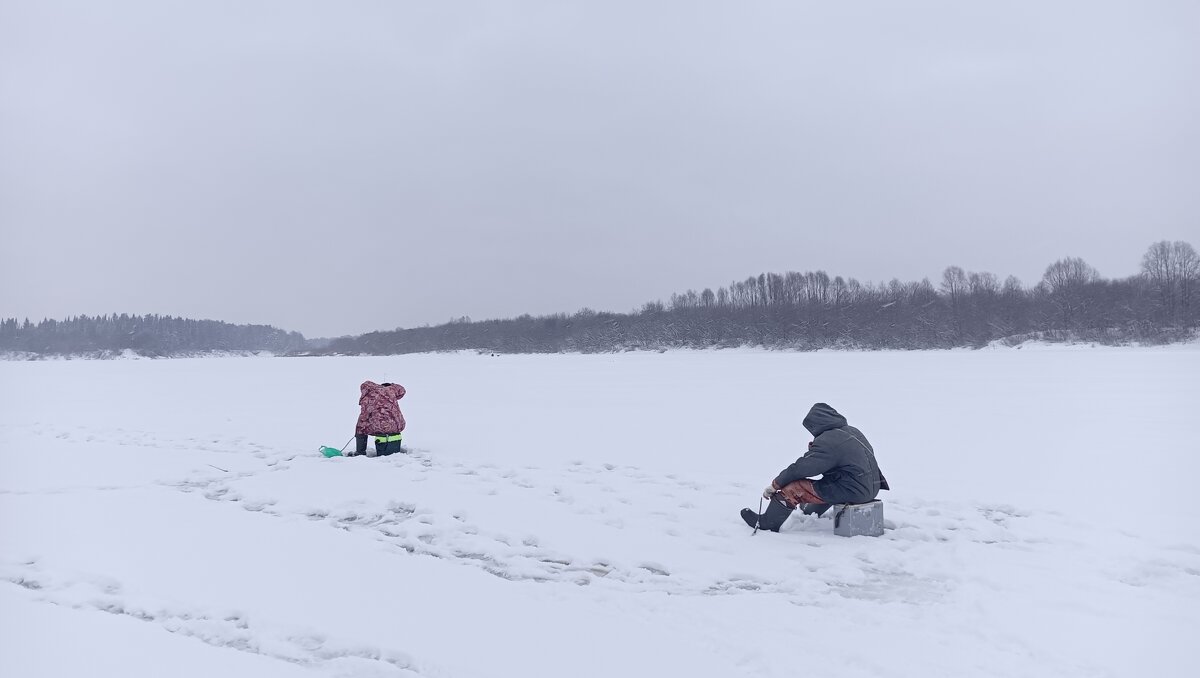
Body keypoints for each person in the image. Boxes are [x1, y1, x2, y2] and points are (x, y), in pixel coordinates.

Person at [741, 402, 888, 532]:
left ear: (816, 425)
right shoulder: (852, 431)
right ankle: (811, 511)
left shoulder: (829, 440)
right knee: (827, 484)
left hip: (855, 490)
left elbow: (802, 468)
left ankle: (767, 523)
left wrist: (776, 484)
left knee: (795, 488)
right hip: (870, 487)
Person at [350, 381, 407, 457]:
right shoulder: (390, 390)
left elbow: (364, 417)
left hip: (382, 427)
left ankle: (360, 452)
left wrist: (359, 430)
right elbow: (401, 390)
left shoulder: (368, 397)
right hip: (398, 425)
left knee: (360, 426)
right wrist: (390, 385)